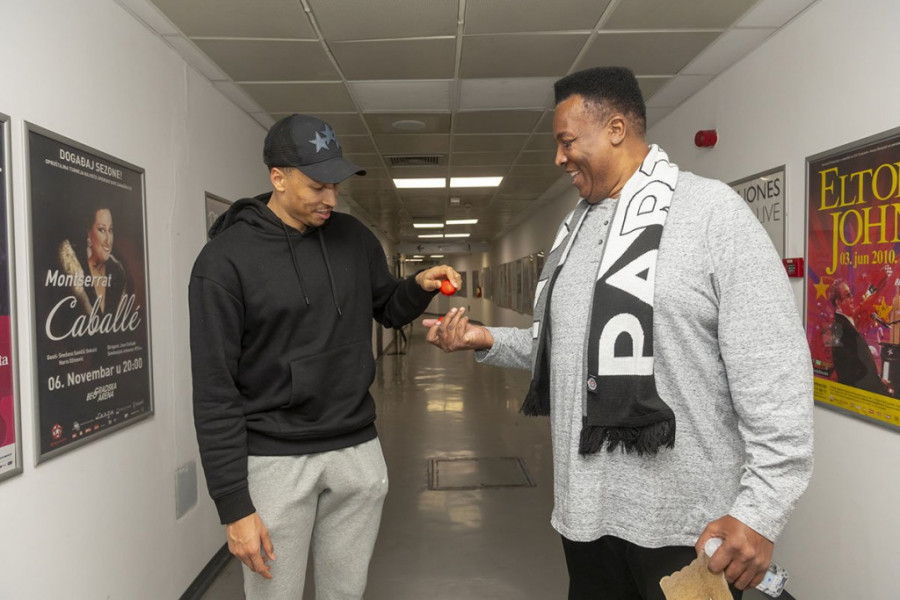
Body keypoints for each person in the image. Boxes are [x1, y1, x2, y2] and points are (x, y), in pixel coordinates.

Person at [424, 67, 813, 600]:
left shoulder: (712, 214)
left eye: (566, 141)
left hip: (689, 529)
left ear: (615, 129)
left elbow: (776, 373)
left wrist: (761, 512)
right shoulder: (573, 233)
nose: (558, 158)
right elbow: (564, 350)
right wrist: (483, 339)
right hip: (585, 519)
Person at [189, 113, 460, 600]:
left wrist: (418, 286)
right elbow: (214, 391)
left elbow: (387, 307)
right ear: (278, 177)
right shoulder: (224, 262)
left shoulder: (353, 238)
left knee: (346, 593)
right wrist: (233, 506)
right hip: (274, 459)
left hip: (356, 449)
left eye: (335, 185)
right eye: (317, 186)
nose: (331, 199)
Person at [57, 205, 127, 315]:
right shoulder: (73, 270)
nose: (108, 240)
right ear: (89, 233)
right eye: (102, 230)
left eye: (110, 230)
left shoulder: (118, 274)